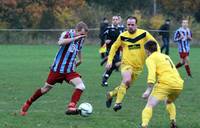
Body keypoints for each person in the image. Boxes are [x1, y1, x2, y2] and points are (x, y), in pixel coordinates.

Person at [20, 21, 88, 116]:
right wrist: (75, 38)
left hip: (69, 71)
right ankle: (28, 103)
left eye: (84, 35)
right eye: (81, 34)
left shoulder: (81, 39)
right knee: (45, 89)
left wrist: (80, 59)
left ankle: (71, 107)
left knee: (81, 86)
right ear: (76, 30)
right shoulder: (67, 34)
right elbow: (60, 42)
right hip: (57, 70)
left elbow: (79, 49)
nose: (83, 37)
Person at [105, 16, 160, 111]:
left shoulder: (144, 34)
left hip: (138, 67)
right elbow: (114, 47)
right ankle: (117, 103)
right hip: (126, 64)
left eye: (132, 25)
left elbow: (155, 43)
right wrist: (109, 60)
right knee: (126, 80)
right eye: (128, 25)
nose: (130, 26)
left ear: (136, 25)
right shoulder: (123, 36)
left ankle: (111, 94)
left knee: (126, 86)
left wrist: (158, 56)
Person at [140, 40, 184, 128]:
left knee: (149, 105)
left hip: (165, 84)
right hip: (178, 84)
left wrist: (148, 90)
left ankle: (144, 125)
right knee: (169, 101)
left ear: (147, 50)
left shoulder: (150, 58)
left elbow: (151, 74)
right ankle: (173, 121)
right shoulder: (165, 56)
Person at [101, 16, 125, 87]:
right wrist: (105, 40)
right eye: (113, 20)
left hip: (118, 50)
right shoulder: (108, 28)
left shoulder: (121, 29)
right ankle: (106, 59)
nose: (115, 21)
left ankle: (104, 79)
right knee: (118, 63)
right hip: (110, 50)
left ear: (119, 21)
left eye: (116, 19)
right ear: (112, 21)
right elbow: (102, 35)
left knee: (112, 67)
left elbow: (124, 37)